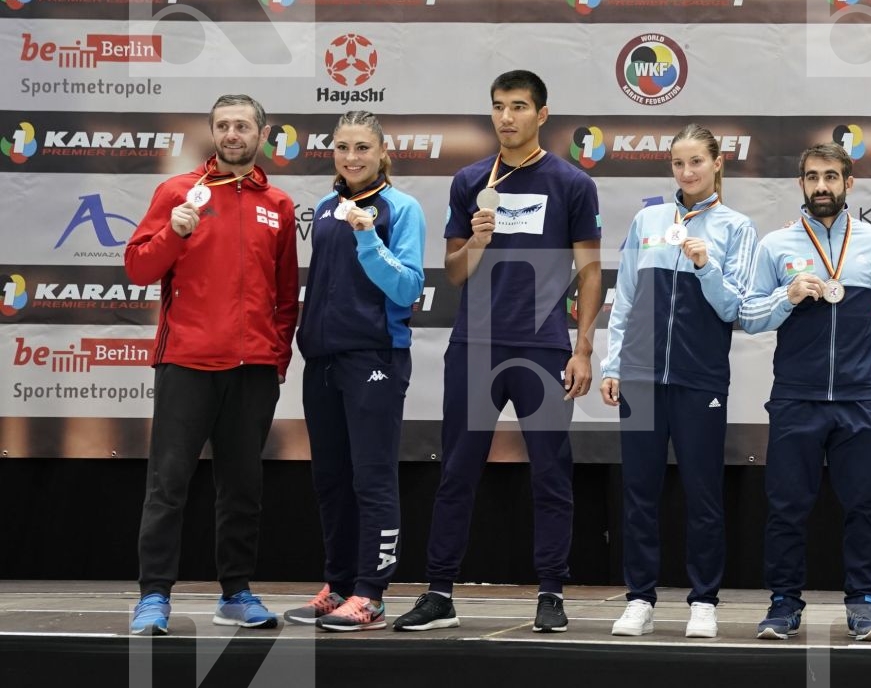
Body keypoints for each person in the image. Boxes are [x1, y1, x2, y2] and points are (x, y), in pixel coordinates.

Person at [394, 71, 601, 634]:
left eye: (519, 106)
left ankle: (551, 592)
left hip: (543, 347)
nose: (507, 117)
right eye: (498, 106)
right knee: (457, 472)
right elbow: (454, 272)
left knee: (551, 474)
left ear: (542, 114)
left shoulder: (572, 183)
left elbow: (590, 271)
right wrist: (479, 241)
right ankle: (439, 592)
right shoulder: (469, 180)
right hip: (476, 346)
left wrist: (583, 348)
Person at [122, 93, 299, 635]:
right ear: (213, 133)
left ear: (262, 134)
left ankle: (236, 593)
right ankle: (154, 596)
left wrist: (275, 356)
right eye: (223, 126)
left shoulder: (279, 204)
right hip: (187, 362)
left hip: (253, 369)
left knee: (242, 488)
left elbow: (286, 294)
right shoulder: (179, 192)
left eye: (242, 126)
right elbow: (138, 269)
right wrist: (173, 232)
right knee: (168, 485)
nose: (231, 134)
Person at [600, 124, 756, 639]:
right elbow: (625, 295)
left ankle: (703, 601)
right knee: (639, 493)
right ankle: (639, 599)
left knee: (703, 494)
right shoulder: (648, 219)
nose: (687, 172)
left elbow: (734, 307)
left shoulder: (736, 228)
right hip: (640, 377)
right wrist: (613, 365)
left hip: (699, 378)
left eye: (696, 162)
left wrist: (705, 265)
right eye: (678, 163)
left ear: (717, 163)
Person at [739, 142, 871, 640]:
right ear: (801, 184)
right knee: (786, 508)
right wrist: (786, 297)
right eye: (813, 177)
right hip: (796, 396)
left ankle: (864, 602)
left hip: (858, 397)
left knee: (865, 507)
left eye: (831, 176)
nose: (822, 186)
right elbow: (749, 316)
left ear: (849, 183)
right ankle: (784, 602)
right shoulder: (776, 245)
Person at [285, 111, 426, 632]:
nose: (352, 157)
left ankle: (372, 593)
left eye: (363, 147)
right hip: (323, 360)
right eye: (343, 147)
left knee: (372, 477)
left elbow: (408, 288)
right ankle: (339, 584)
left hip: (375, 358)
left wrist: (369, 237)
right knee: (330, 479)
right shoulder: (326, 207)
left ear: (382, 152)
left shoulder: (401, 208)